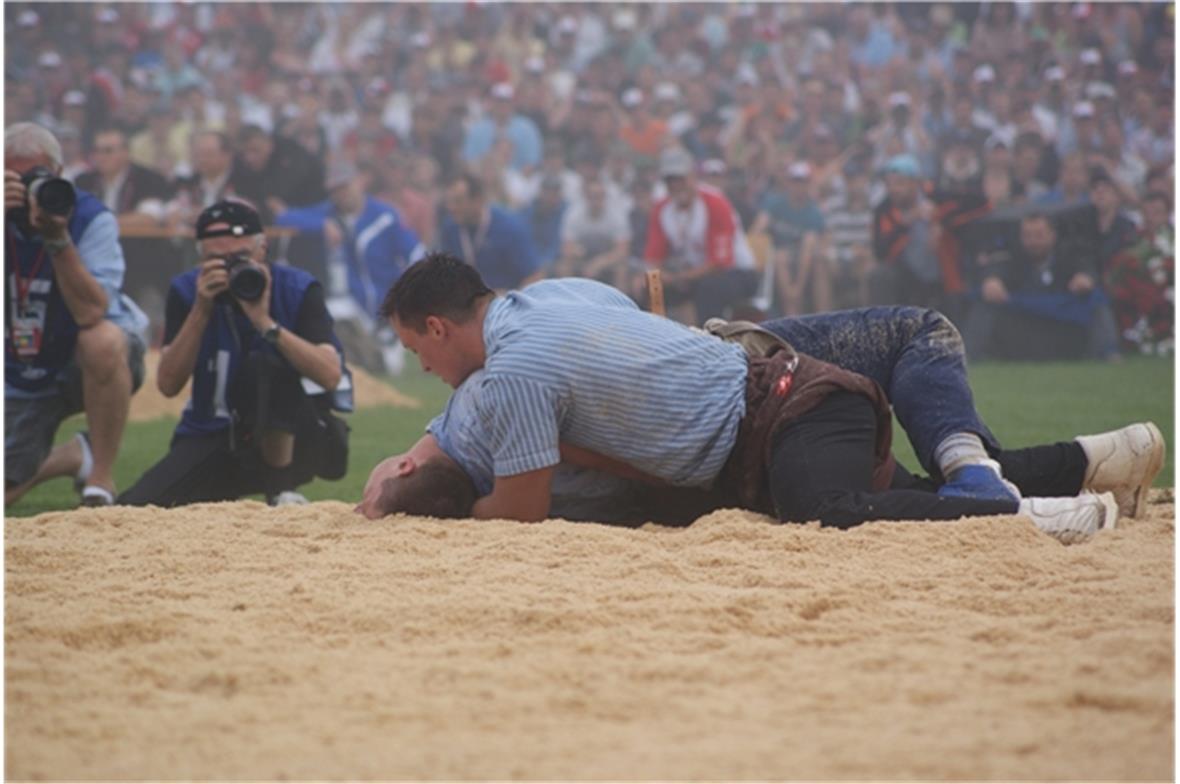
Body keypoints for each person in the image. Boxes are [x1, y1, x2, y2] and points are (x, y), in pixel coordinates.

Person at [375, 254, 1137, 543]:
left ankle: (1023, 516)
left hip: (783, 411)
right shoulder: (550, 297)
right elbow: (629, 334)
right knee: (903, 497)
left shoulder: (506, 378)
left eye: (419, 351)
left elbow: (523, 509)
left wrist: (446, 513)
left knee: (831, 511)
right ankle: (1092, 462)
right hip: (774, 402)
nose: (428, 369)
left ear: (440, 326)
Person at [119, 200, 352, 507]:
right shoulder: (188, 291)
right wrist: (201, 311)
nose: (231, 269)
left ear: (262, 249)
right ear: (201, 257)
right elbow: (168, 384)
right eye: (217, 260)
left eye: (240, 258)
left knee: (265, 364)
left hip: (297, 435)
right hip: (212, 432)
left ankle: (280, 489)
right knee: (136, 506)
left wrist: (265, 323)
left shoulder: (297, 288)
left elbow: (330, 374)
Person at [5, 122, 149, 507]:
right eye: (11, 177)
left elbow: (91, 312)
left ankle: (99, 479)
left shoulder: (89, 217)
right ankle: (71, 457)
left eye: (33, 176)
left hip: (81, 357)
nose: (23, 188)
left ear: (56, 174)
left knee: (101, 339)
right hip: (20, 368)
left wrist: (57, 238)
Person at [275, 160, 424, 375]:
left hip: (383, 309)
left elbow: (416, 256)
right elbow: (285, 218)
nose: (340, 194)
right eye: (335, 189)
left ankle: (370, 352)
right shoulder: (327, 213)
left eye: (344, 186)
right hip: (344, 304)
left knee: (389, 368)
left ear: (359, 182)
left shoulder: (384, 216)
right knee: (334, 313)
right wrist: (322, 225)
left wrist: (407, 301)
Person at [964, 212, 1117, 361]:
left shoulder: (1068, 255)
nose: (1033, 242)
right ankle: (969, 356)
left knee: (1096, 299)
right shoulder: (1014, 256)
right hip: (1024, 328)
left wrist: (1085, 277)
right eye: (1028, 236)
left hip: (1064, 327)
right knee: (986, 301)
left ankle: (1108, 352)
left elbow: (1085, 267)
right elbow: (999, 268)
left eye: (1039, 235)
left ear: (1052, 235)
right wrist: (992, 280)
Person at [643, 146, 758, 323]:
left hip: (736, 272)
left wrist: (681, 277)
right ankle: (659, 335)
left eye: (680, 179)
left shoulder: (715, 204)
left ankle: (710, 339)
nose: (676, 186)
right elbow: (653, 258)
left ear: (693, 177)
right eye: (670, 181)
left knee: (708, 289)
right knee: (650, 286)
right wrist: (658, 276)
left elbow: (720, 262)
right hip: (691, 274)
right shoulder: (662, 209)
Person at [437, 172, 541, 291]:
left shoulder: (509, 228)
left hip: (504, 304)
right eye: (449, 201)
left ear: (478, 200)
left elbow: (534, 276)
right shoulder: (450, 228)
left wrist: (508, 298)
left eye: (458, 201)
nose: (451, 207)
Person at [74, 126, 174, 232]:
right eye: (96, 151)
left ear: (125, 153)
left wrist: (100, 222)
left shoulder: (148, 179)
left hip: (135, 244)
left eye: (108, 151)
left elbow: (149, 218)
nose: (100, 157)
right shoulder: (83, 181)